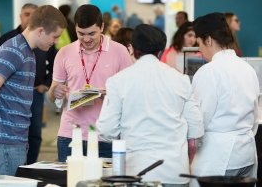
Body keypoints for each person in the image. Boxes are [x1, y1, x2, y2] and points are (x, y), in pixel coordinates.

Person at [96, 24, 204, 186]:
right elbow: (196, 127)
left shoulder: (118, 82)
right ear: (161, 52)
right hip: (175, 171)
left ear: (131, 48)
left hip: (136, 171)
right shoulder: (180, 80)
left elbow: (106, 130)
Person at [0, 5, 67, 175]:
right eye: (55, 36)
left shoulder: (29, 52)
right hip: (4, 140)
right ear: (40, 31)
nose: (55, 42)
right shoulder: (13, 51)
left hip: (15, 139)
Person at [48, 4, 132, 162]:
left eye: (91, 33)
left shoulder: (120, 51)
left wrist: (110, 93)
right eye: (81, 34)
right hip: (70, 135)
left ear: (102, 27)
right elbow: (52, 96)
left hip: (107, 136)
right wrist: (55, 92)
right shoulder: (64, 53)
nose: (86, 39)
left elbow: (131, 94)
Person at [190, 12, 259, 187]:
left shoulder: (208, 72)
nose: (199, 50)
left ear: (208, 40)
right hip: (247, 153)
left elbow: (199, 121)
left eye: (198, 43)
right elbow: (254, 117)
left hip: (219, 159)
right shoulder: (247, 68)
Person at [0, 3, 58, 165]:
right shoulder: (8, 40)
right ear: (21, 16)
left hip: (35, 92)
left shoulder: (45, 40)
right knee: (13, 135)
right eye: (26, 14)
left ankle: (29, 167)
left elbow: (55, 63)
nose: (29, 17)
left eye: (32, 14)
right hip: (9, 95)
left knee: (34, 133)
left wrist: (47, 83)